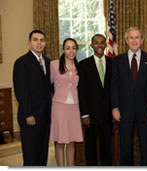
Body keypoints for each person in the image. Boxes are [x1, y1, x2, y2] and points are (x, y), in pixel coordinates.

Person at [111, 27, 147, 166]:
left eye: (137, 37)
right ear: (126, 40)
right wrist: (115, 108)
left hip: (145, 110)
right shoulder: (117, 60)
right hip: (124, 110)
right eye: (131, 37)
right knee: (125, 146)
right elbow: (114, 86)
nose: (134, 40)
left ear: (142, 40)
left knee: (146, 146)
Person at [13, 30, 51, 166]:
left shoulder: (47, 62)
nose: (39, 43)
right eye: (35, 40)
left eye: (41, 40)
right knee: (31, 154)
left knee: (42, 152)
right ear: (29, 43)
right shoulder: (21, 62)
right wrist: (28, 114)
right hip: (30, 116)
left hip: (45, 115)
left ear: (45, 43)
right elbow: (21, 91)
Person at [78, 34, 112, 166]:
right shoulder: (83, 65)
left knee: (107, 146)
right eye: (96, 43)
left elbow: (115, 89)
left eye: (102, 42)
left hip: (108, 114)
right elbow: (82, 91)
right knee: (90, 146)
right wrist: (84, 114)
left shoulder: (112, 63)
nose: (99, 45)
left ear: (105, 45)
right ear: (92, 45)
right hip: (90, 114)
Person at [50, 38, 83, 166]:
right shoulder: (54, 65)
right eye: (68, 48)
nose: (71, 51)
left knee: (71, 141)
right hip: (59, 107)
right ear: (63, 49)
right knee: (60, 141)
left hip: (74, 107)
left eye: (74, 48)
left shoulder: (79, 67)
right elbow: (48, 85)